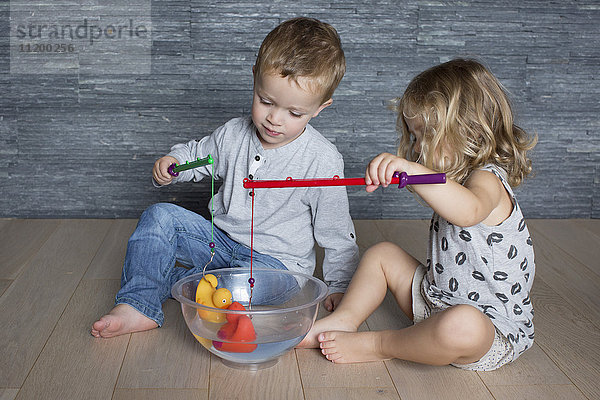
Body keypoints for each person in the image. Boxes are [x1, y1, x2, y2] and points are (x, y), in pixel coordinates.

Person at [92, 17, 359, 338]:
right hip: (220, 243)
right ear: (255, 79)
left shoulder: (322, 160)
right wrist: (174, 163)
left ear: (319, 108)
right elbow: (201, 156)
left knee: (220, 286)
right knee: (158, 216)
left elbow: (337, 233)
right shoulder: (233, 134)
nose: (275, 119)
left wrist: (339, 285)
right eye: (266, 101)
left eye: (294, 113)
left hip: (277, 267)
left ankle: (192, 284)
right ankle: (138, 304)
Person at [299, 59, 537, 371]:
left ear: (470, 130)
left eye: (427, 134)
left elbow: (469, 211)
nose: (417, 147)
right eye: (414, 136)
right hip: (435, 301)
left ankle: (381, 344)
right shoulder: (457, 180)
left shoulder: (488, 180)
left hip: (487, 331)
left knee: (462, 324)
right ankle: (344, 320)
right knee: (383, 254)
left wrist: (413, 171)